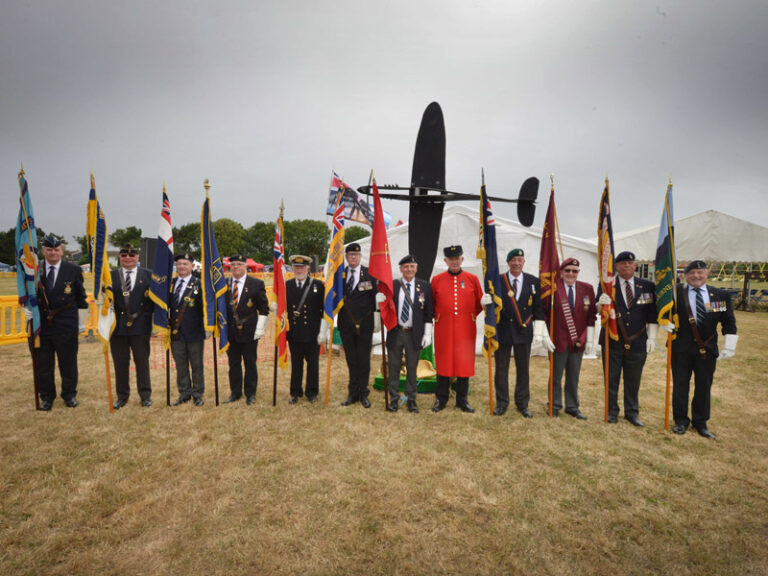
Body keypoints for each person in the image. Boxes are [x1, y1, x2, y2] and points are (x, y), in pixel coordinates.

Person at [667, 260, 737, 440]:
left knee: (704, 387)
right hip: (680, 348)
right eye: (692, 273)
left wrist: (729, 345)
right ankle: (681, 421)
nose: (696, 276)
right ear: (685, 275)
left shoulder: (720, 295)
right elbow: (662, 311)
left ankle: (701, 422)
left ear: (707, 274)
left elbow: (728, 321)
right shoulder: (674, 292)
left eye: (700, 273)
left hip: (706, 349)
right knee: (680, 386)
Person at [596, 251, 658, 426]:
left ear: (635, 265)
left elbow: (652, 314)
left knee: (633, 380)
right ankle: (611, 412)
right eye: (622, 263)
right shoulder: (607, 284)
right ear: (616, 266)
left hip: (638, 340)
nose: (626, 265)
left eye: (630, 263)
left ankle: (632, 413)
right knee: (611, 379)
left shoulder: (647, 286)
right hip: (612, 339)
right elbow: (597, 311)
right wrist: (600, 303)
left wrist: (652, 338)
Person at [493, 248, 552, 418]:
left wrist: (540, 333)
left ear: (524, 262)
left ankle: (522, 404)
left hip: (523, 330)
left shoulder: (534, 282)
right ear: (508, 262)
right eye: (514, 260)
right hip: (503, 330)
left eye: (520, 259)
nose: (517, 263)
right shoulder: (498, 281)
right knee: (501, 369)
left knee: (523, 369)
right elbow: (493, 308)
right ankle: (502, 403)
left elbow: (538, 309)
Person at [33, 235, 88, 410]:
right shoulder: (34, 269)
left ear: (62, 251)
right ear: (43, 251)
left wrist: (80, 323)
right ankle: (47, 397)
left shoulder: (73, 269)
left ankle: (69, 394)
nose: (53, 253)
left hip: (66, 324)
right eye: (49, 250)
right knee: (43, 365)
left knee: (68, 363)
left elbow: (81, 298)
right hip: (41, 325)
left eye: (56, 249)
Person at [430, 245, 485, 413]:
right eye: (450, 259)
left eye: (457, 259)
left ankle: (462, 400)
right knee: (443, 361)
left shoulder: (472, 279)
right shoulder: (437, 279)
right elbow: (432, 304)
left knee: (464, 362)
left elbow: (479, 303)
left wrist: (467, 316)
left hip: (465, 328)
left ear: (462, 259)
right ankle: (441, 399)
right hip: (444, 327)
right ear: (445, 261)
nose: (454, 262)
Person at [546, 257, 597, 419]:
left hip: (578, 341)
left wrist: (589, 340)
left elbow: (591, 317)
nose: (570, 274)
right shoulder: (553, 289)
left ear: (578, 273)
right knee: (556, 375)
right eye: (567, 270)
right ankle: (554, 405)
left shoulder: (587, 289)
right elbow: (545, 314)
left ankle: (572, 406)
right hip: (557, 340)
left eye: (574, 271)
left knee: (573, 375)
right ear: (561, 272)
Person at [386, 255, 434, 413]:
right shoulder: (393, 285)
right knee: (393, 367)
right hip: (396, 331)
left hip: (415, 334)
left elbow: (428, 312)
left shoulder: (425, 286)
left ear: (416, 268)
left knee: (412, 368)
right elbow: (385, 306)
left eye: (412, 266)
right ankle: (394, 399)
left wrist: (427, 334)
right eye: (406, 267)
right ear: (400, 269)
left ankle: (411, 399)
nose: (409, 269)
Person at [110, 244, 155, 409]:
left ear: (138, 257)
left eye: (132, 255)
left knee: (142, 363)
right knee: (120, 363)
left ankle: (145, 395)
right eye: (124, 255)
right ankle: (122, 396)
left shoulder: (149, 275)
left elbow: (156, 301)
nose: (128, 258)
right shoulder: (110, 276)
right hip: (117, 327)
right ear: (120, 258)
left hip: (141, 326)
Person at [223, 254, 269, 405]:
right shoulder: (224, 284)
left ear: (245, 266)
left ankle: (250, 393)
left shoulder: (256, 283)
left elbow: (264, 308)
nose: (236, 267)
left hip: (250, 331)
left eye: (239, 264)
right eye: (233, 264)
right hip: (231, 331)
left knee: (250, 363)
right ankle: (235, 393)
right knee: (233, 363)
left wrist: (260, 328)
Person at [337, 242, 377, 408]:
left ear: (360, 257)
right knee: (351, 360)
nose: (353, 257)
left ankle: (363, 393)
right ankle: (352, 393)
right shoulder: (339, 275)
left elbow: (376, 298)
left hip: (364, 325)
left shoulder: (370, 274)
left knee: (364, 360)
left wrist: (378, 319)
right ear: (346, 257)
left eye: (356, 255)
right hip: (346, 325)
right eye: (350, 255)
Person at [286, 255, 325, 403]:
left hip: (313, 333)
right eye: (296, 267)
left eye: (302, 267)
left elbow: (324, 310)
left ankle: (312, 392)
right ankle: (295, 392)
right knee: (296, 364)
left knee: (313, 364)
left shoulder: (318, 285)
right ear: (292, 269)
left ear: (308, 268)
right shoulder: (287, 286)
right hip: (295, 333)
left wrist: (323, 331)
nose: (299, 270)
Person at [170, 253, 206, 406]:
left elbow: (206, 308)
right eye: (179, 264)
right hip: (176, 333)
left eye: (185, 264)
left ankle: (198, 394)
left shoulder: (200, 284)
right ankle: (184, 393)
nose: (182, 267)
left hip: (194, 332)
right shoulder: (170, 284)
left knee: (196, 365)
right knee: (181, 365)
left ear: (192, 266)